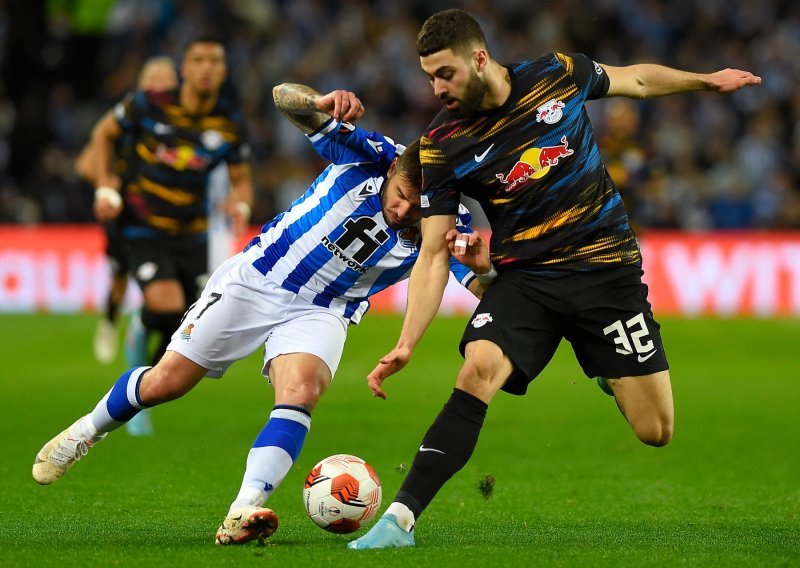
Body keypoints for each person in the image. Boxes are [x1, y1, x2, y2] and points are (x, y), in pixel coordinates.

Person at [349, 8, 762, 550]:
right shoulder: (441, 144)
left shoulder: (556, 73)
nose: (436, 88)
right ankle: (398, 520)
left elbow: (634, 78)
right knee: (476, 371)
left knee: (655, 431)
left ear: (479, 58)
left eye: (444, 73)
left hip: (606, 271)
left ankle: (605, 371)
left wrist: (705, 81)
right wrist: (406, 342)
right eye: (429, 76)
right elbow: (431, 253)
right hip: (529, 280)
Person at [31, 81, 494, 546]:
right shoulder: (370, 152)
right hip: (259, 279)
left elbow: (475, 282)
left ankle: (243, 509)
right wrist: (319, 102)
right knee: (166, 382)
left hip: (324, 308)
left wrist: (484, 271)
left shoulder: (446, 216)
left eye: (418, 204)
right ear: (393, 169)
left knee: (302, 389)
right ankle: (85, 432)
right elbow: (281, 97)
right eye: (401, 194)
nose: (404, 209)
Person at [90, 35, 254, 374]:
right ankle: (138, 331)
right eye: (198, 60)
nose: (206, 68)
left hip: (192, 232)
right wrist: (105, 185)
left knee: (186, 328)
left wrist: (242, 207)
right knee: (166, 306)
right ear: (184, 69)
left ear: (224, 71)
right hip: (143, 224)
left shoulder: (230, 124)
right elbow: (103, 134)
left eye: (215, 61)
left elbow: (241, 181)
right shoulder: (148, 104)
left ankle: (142, 386)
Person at [76, 56, 178, 366]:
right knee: (120, 276)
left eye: (165, 80)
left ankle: (147, 338)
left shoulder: (184, 122)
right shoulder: (125, 120)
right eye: (153, 80)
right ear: (142, 86)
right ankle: (110, 323)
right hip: (127, 216)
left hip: (170, 218)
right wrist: (109, 185)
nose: (159, 86)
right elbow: (84, 163)